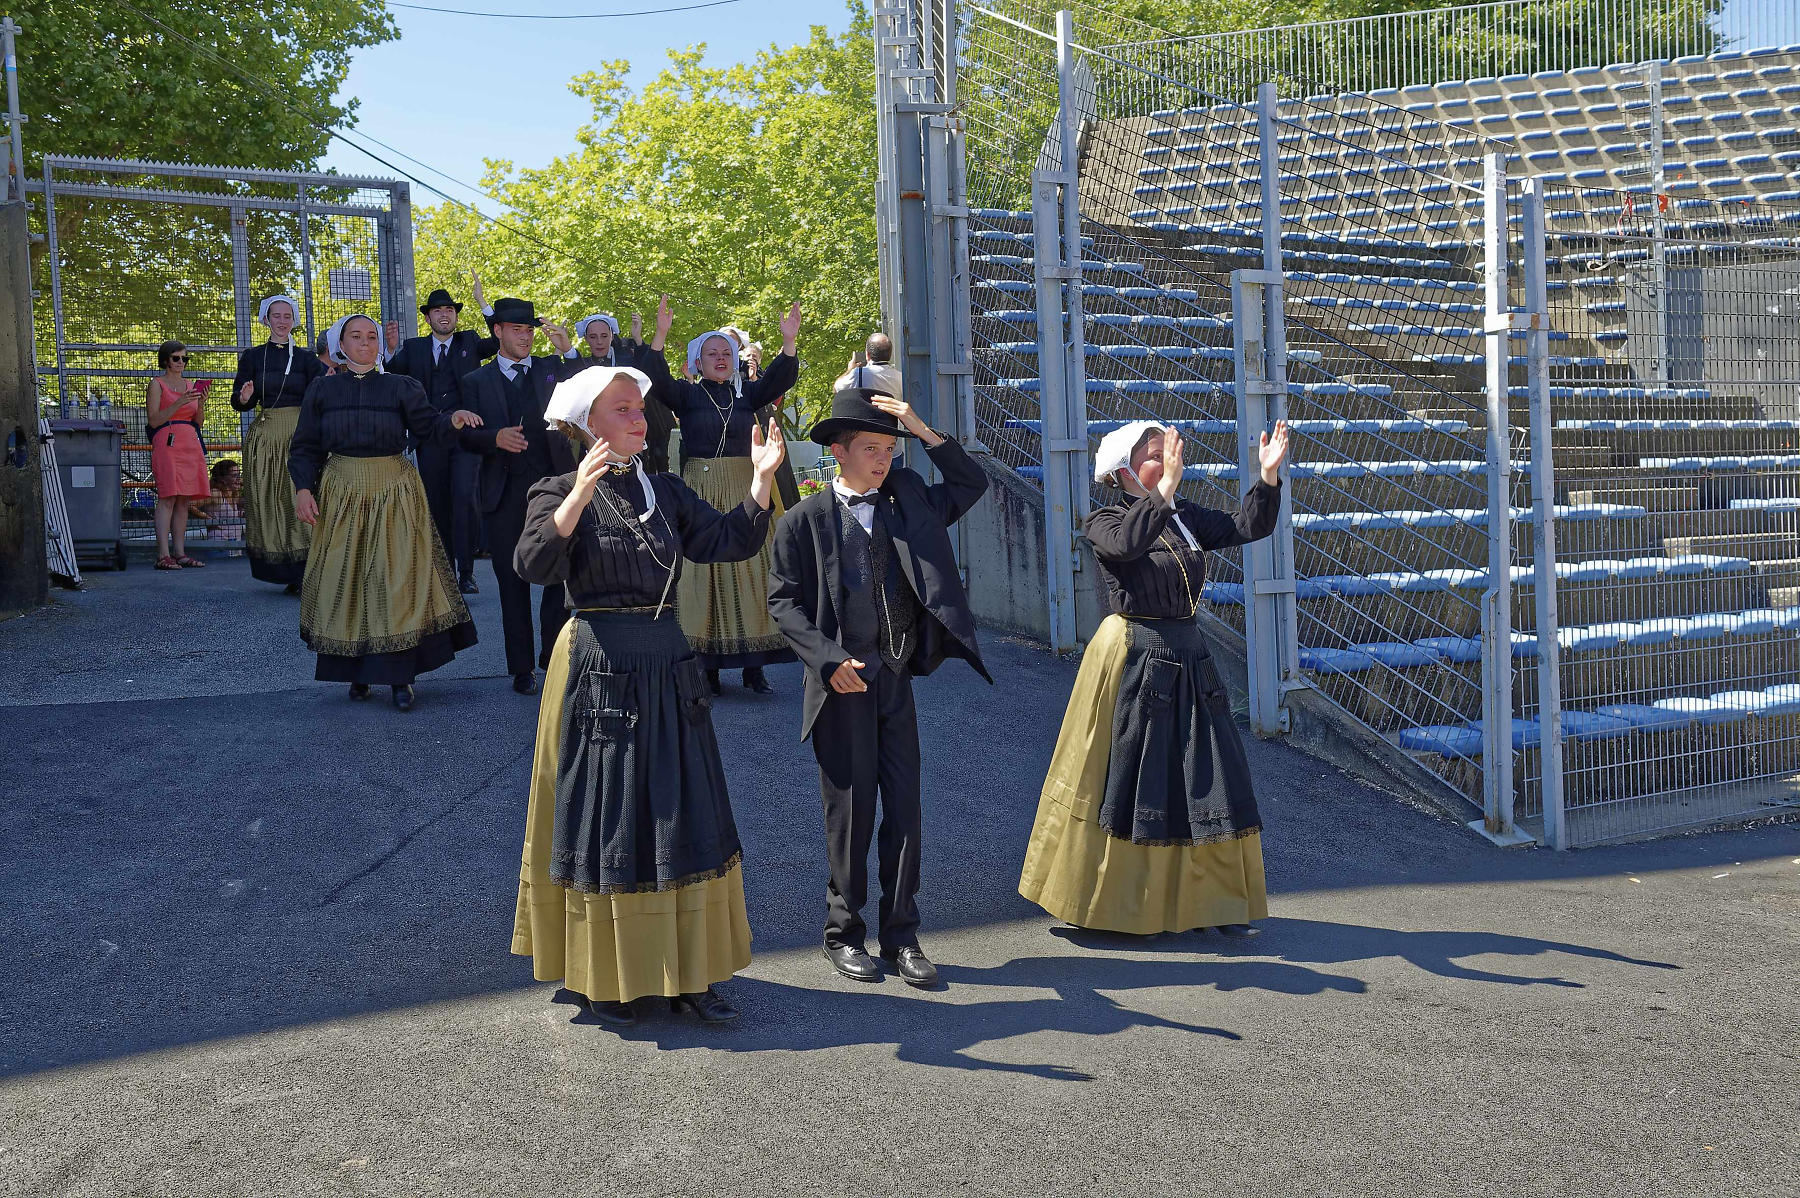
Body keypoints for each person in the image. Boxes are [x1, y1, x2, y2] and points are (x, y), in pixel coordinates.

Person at [511, 364, 786, 1028]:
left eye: (640, 409)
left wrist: (761, 481)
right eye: (623, 410)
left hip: (667, 659)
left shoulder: (665, 489)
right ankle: (609, 976)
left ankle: (691, 971)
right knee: (609, 817)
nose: (640, 419)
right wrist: (579, 493)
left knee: (679, 811)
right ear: (587, 424)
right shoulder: (555, 489)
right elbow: (533, 565)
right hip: (598, 661)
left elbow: (726, 540)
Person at [1017, 419, 1290, 937]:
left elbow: (1247, 526)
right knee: (1132, 782)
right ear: (1124, 469)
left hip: (1189, 654)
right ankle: (1116, 904)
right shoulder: (1104, 520)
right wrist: (1163, 493)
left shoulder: (1182, 516)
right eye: (1155, 454)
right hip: (1135, 657)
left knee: (1206, 778)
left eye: (1169, 452)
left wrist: (1268, 477)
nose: (1168, 461)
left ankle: (1214, 904)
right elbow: (1127, 546)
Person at [768, 386, 990, 988]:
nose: (884, 459)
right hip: (842, 687)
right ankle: (844, 933)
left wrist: (922, 429)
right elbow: (783, 602)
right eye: (871, 448)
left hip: (894, 678)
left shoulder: (907, 498)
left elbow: (971, 483)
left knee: (906, 809)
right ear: (838, 451)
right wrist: (826, 659)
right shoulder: (803, 521)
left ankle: (902, 935)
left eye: (890, 449)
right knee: (851, 811)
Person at [288, 314, 484, 710]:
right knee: (348, 579)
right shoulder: (322, 390)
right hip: (342, 491)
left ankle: (399, 677)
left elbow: (429, 428)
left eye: (371, 336)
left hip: (394, 490)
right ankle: (356, 672)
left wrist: (453, 419)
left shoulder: (401, 386)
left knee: (395, 580)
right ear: (340, 344)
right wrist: (303, 489)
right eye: (356, 336)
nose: (365, 343)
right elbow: (305, 445)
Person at [641, 296, 802, 694]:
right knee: (705, 576)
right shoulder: (687, 395)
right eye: (711, 354)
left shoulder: (747, 395)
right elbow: (655, 379)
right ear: (697, 362)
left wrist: (789, 342)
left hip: (746, 489)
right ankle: (707, 666)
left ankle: (753, 666)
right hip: (701, 492)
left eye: (726, 353)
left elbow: (779, 379)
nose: (720, 358)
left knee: (752, 572)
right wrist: (659, 335)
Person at [457, 297, 582, 695]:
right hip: (503, 493)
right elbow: (464, 436)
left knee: (558, 576)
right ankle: (522, 668)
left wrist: (568, 350)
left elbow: (587, 388)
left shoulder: (550, 369)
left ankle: (553, 660)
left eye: (529, 330)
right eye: (517, 330)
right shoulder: (475, 381)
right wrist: (493, 438)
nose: (526, 337)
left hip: (554, 488)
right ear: (498, 332)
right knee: (512, 583)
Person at [385, 276, 501, 595]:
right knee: (437, 504)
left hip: (466, 437)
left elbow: (498, 340)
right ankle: (445, 571)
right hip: (430, 437)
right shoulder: (414, 348)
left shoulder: (469, 341)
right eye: (437, 310)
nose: (444, 314)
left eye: (449, 310)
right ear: (428, 318)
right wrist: (390, 350)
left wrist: (483, 302)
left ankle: (466, 571)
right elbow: (391, 374)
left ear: (456, 316)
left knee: (464, 498)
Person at [232, 295, 326, 593]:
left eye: (287, 316)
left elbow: (323, 394)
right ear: (266, 319)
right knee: (273, 502)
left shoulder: (307, 359)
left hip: (300, 435)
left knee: (302, 497)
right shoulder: (252, 357)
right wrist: (244, 398)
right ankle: (288, 572)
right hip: (267, 438)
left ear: (294, 320)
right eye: (277, 315)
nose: (282, 321)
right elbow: (239, 401)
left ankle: (310, 571)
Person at [575, 311, 679, 475]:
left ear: (612, 335)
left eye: (604, 335)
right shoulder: (583, 365)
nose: (599, 341)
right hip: (602, 432)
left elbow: (650, 367)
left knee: (650, 467)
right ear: (586, 338)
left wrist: (638, 338)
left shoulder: (627, 358)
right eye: (593, 337)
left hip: (643, 426)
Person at [147, 340, 211, 571]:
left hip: (190, 443)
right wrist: (180, 402)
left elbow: (198, 422)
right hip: (168, 442)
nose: (181, 362)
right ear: (166, 360)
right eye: (176, 358)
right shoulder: (157, 385)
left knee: (184, 499)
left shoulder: (190, 385)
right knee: (168, 497)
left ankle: (180, 552)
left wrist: (200, 404)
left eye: (185, 358)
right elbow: (154, 420)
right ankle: (163, 554)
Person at [831, 332, 902, 398]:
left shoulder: (858, 374)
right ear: (890, 354)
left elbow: (836, 389)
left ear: (867, 354)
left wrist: (849, 370)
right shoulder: (900, 378)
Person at [197, 459, 245, 550]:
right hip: (218, 547)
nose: (239, 478)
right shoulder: (216, 494)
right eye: (234, 475)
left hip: (235, 546)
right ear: (222, 478)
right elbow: (190, 505)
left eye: (239, 474)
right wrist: (207, 518)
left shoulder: (234, 494)